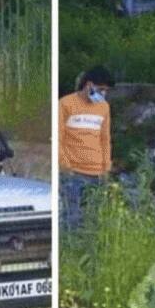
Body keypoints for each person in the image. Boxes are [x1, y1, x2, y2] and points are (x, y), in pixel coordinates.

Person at [59, 66, 115, 231]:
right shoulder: (65, 104)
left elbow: (105, 139)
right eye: (101, 89)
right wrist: (64, 164)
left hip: (97, 172)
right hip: (73, 172)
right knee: (73, 218)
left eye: (106, 91)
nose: (103, 94)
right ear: (89, 85)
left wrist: (106, 166)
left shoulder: (104, 107)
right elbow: (59, 137)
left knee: (94, 219)